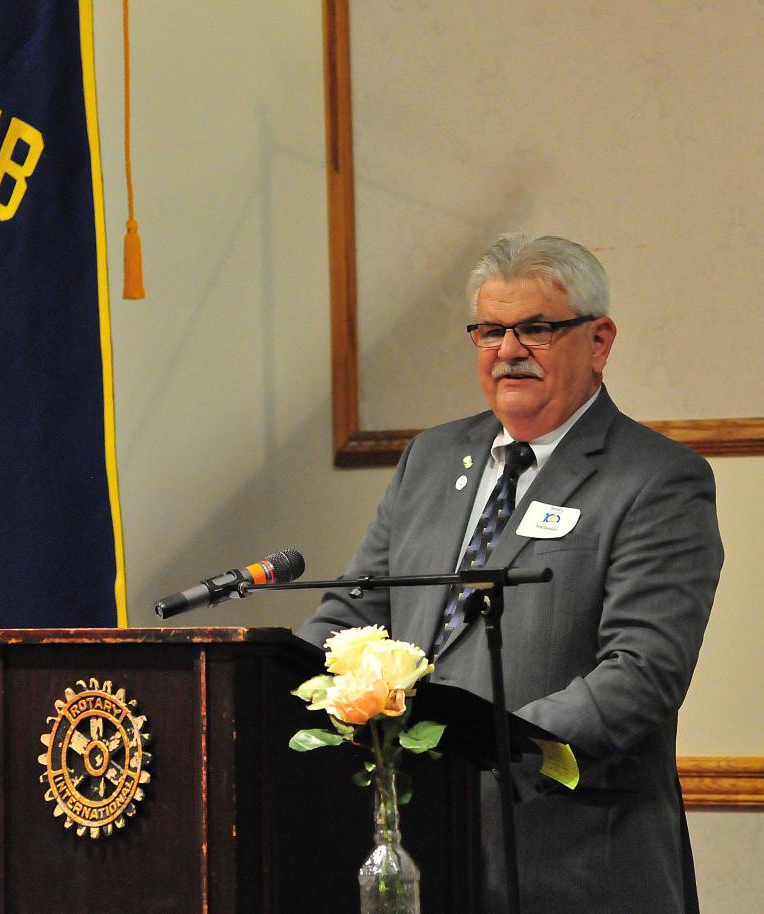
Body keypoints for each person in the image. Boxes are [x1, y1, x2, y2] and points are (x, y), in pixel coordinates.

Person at [300, 233, 722, 912]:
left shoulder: (657, 479)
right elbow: (355, 612)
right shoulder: (430, 460)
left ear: (600, 340)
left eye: (536, 328)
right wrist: (292, 693)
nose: (507, 350)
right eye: (489, 330)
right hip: (425, 851)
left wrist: (481, 748)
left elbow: (643, 672)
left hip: (575, 864)